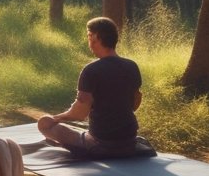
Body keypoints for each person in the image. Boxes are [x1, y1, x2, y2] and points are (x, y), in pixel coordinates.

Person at [37, 16, 156, 159]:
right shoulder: (132, 66)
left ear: (95, 38)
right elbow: (135, 102)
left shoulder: (91, 71)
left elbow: (79, 114)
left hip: (101, 144)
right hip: (129, 140)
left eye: (89, 37)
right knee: (84, 130)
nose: (89, 42)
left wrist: (56, 118)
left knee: (44, 123)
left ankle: (85, 146)